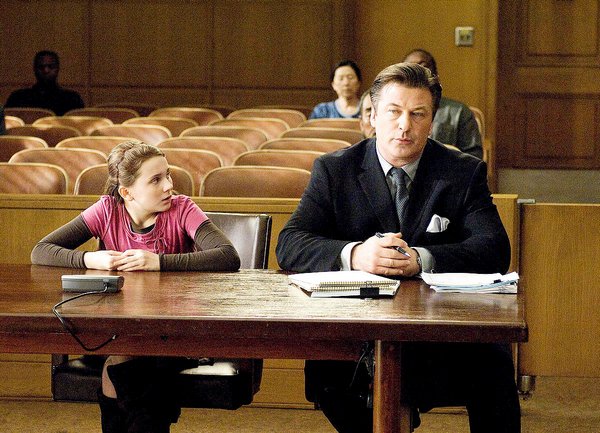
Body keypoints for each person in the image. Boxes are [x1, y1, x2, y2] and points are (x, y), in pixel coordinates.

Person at [276, 63, 520, 433]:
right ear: (372, 116)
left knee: (495, 366)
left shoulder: (462, 171)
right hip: (357, 327)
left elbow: (494, 249)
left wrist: (422, 259)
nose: (405, 125)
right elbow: (291, 242)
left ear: (432, 121)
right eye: (394, 112)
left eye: (418, 114)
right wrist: (356, 254)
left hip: (440, 328)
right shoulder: (335, 170)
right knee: (329, 377)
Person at [31, 140, 240, 433]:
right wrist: (89, 258)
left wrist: (160, 262)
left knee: (120, 364)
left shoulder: (182, 208)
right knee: (130, 363)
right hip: (117, 330)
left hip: (172, 332)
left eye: (168, 175)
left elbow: (228, 256)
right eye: (156, 180)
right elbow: (41, 250)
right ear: (126, 192)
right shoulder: (107, 210)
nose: (169, 186)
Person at [403, 48, 483, 159]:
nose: (417, 74)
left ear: (436, 77)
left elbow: (474, 157)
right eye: (410, 69)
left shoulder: (460, 112)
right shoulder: (391, 112)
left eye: (423, 67)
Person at [5, 50, 84, 116]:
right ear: (34, 69)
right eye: (41, 67)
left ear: (57, 69)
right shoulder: (18, 98)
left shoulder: (72, 99)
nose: (46, 70)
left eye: (51, 67)